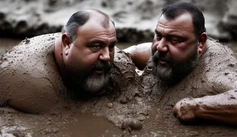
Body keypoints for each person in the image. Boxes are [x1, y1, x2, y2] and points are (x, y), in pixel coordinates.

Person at [124, 2, 237, 126]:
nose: (160, 47)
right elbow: (134, 52)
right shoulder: (165, 51)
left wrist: (196, 107)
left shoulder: (216, 74)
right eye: (158, 36)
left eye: (174, 39)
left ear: (200, 42)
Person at [0, 9, 136, 114]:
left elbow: (135, 53)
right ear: (67, 44)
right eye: (96, 46)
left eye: (111, 46)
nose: (107, 56)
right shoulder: (30, 79)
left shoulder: (119, 64)